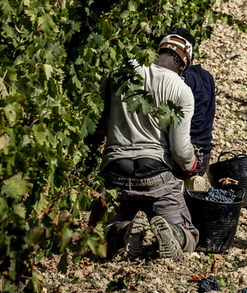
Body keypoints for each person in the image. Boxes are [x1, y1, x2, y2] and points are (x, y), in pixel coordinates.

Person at [85, 34, 201, 260]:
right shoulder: (181, 89)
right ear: (184, 63)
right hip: (154, 176)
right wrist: (192, 164)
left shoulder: (121, 71)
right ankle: (174, 233)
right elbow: (179, 150)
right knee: (191, 235)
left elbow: (99, 123)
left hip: (116, 174)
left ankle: (123, 230)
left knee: (99, 232)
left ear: (157, 50)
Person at [165, 28, 216, 192]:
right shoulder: (207, 77)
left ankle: (179, 182)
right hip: (203, 151)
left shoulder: (179, 80)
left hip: (182, 151)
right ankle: (194, 178)